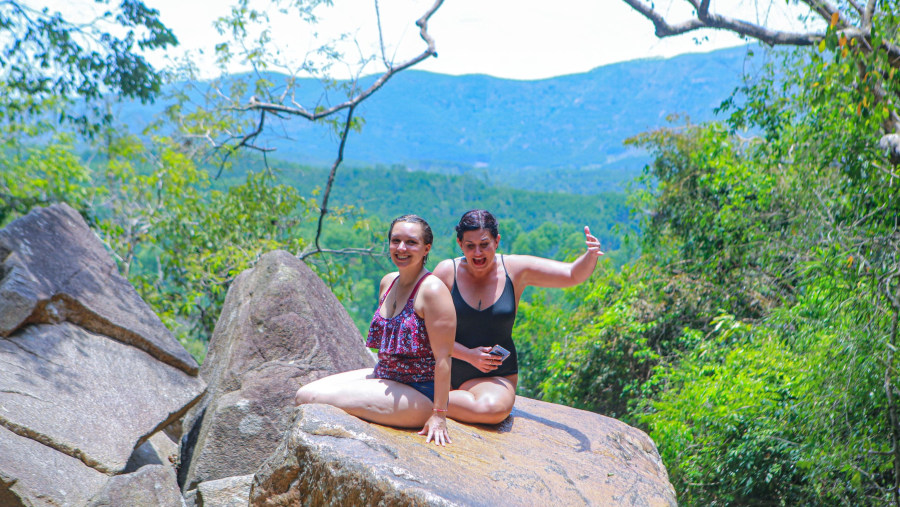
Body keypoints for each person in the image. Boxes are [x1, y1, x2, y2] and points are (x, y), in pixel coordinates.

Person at [295, 215, 456, 445]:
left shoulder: (432, 290)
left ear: (426, 248)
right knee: (303, 394)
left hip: (419, 391)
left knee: (312, 398)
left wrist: (439, 415)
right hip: (384, 374)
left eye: (411, 242)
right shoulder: (388, 282)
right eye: (395, 240)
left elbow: (444, 357)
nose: (401, 248)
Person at [433, 209, 603, 425]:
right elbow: (425, 330)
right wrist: (468, 354)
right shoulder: (447, 272)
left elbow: (571, 274)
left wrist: (590, 255)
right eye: (470, 246)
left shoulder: (514, 269)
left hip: (491, 378)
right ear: (460, 244)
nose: (478, 253)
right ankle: (436, 398)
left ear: (497, 241)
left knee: (492, 410)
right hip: (443, 370)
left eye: (485, 244)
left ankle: (426, 400)